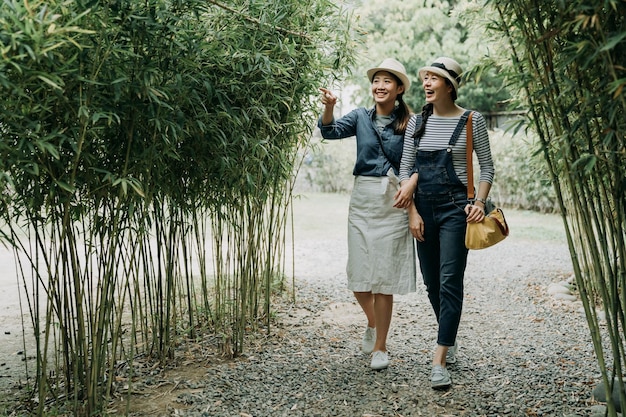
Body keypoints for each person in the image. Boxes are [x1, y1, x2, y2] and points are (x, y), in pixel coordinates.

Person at [396, 57, 495, 389]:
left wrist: (479, 202)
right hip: (422, 208)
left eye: (433, 78)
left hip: (457, 210)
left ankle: (439, 359)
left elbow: (487, 168)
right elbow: (405, 171)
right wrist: (411, 213)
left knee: (450, 281)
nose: (425, 83)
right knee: (432, 282)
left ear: (449, 85)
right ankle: (448, 335)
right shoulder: (416, 123)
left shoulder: (471, 120)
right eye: (424, 77)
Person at [318, 58, 417, 370]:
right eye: (377, 80)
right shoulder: (361, 116)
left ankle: (380, 347)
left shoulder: (412, 123)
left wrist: (411, 189)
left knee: (383, 278)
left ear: (399, 89)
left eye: (388, 81)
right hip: (362, 199)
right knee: (360, 276)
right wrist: (330, 106)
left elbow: (418, 164)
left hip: (394, 199)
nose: (380, 86)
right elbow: (329, 131)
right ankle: (373, 323)